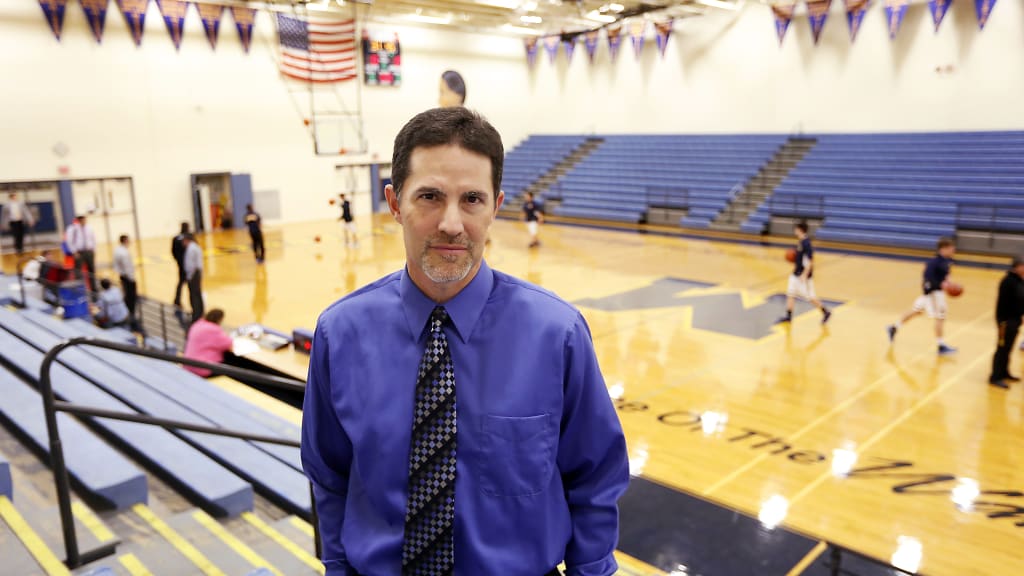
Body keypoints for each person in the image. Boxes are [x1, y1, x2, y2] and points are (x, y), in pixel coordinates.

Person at [301, 107, 629, 576]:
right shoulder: (340, 335)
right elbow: (328, 475)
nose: (451, 223)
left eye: (472, 199)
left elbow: (595, 480)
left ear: (495, 206)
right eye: (430, 196)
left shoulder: (558, 335)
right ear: (394, 202)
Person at [887, 237, 958, 355]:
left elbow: (946, 276)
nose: (953, 250)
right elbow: (927, 278)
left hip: (935, 293)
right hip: (933, 293)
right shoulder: (934, 262)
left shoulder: (948, 261)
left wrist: (950, 284)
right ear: (943, 249)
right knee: (940, 317)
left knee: (917, 311)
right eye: (951, 248)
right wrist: (937, 287)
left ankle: (894, 328)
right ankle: (941, 346)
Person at [776, 221, 831, 325]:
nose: (795, 230)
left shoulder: (807, 243)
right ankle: (788, 316)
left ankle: (825, 312)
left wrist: (804, 275)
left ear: (800, 230)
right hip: (795, 274)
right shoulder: (801, 242)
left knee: (810, 297)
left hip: (803, 276)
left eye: (796, 229)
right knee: (790, 293)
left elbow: (810, 261)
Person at [989, 255, 1024, 389]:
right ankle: (995, 377)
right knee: (1002, 349)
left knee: (1008, 348)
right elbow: (1009, 303)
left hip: (1014, 320)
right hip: (1005, 322)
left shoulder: (1018, 280)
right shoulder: (1008, 281)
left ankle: (1004, 372)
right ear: (1018, 267)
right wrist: (1005, 322)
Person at [182, 309, 233, 377]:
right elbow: (228, 343)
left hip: (187, 364)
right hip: (201, 367)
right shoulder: (213, 329)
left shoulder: (198, 324)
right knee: (231, 364)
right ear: (219, 319)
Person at [65, 215, 97, 293]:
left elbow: (93, 239)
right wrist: (74, 252)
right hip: (79, 252)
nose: (84, 221)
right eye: (82, 219)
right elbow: (69, 241)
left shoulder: (89, 228)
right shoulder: (73, 228)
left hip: (88, 251)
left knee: (91, 271)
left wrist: (93, 250)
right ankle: (80, 290)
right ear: (79, 220)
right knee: (78, 272)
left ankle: (94, 289)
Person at [113, 234, 137, 318]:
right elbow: (127, 267)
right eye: (128, 240)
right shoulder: (124, 253)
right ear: (125, 241)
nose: (129, 242)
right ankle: (131, 314)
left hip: (123, 275)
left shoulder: (117, 250)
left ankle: (127, 313)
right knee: (131, 297)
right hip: (127, 277)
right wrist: (132, 278)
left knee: (126, 294)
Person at [182, 233, 204, 324]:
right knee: (198, 294)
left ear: (187, 240)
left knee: (194, 295)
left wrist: (189, 276)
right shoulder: (196, 247)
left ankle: (196, 315)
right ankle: (200, 312)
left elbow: (190, 264)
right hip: (197, 273)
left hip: (193, 274)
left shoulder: (191, 249)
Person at [172, 222, 190, 307]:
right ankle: (194, 303)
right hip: (187, 264)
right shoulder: (189, 237)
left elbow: (173, 251)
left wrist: (178, 260)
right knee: (190, 283)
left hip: (180, 263)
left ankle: (177, 299)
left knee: (180, 282)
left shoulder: (176, 238)